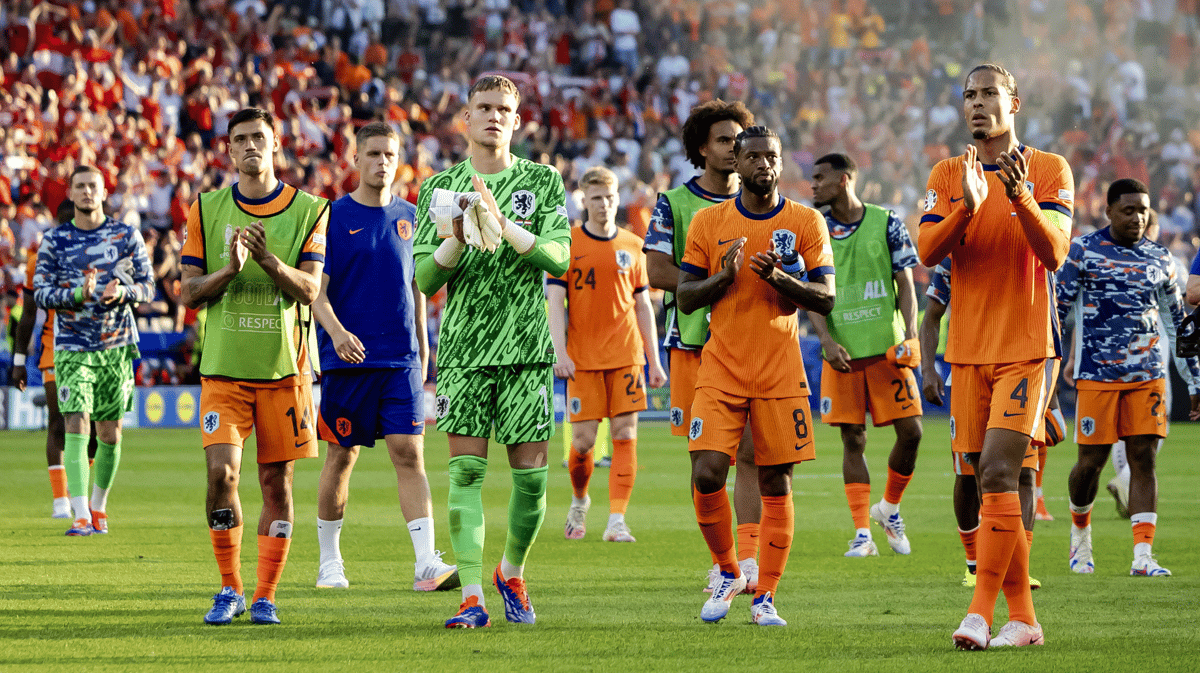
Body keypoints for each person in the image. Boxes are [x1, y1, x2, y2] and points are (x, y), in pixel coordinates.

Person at [918, 64, 1074, 650]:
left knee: (1000, 471)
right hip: (967, 353)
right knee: (983, 483)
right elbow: (929, 251)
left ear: (1015, 102)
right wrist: (966, 206)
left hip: (1026, 348)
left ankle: (978, 614)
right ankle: (1025, 621)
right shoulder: (947, 174)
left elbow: (1055, 251)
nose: (978, 104)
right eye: (969, 96)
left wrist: (1020, 196)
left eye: (989, 94)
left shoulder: (1050, 169)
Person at [413, 75, 571, 629]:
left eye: (504, 108)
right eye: (484, 107)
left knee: (532, 480)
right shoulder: (439, 188)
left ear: (518, 120)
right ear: (465, 117)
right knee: (465, 475)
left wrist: (502, 227)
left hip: (528, 346)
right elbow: (425, 276)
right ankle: (473, 596)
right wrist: (458, 233)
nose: (494, 116)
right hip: (464, 349)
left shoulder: (544, 181)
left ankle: (512, 571)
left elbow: (558, 259)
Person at [677, 125, 835, 626]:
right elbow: (684, 296)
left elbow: (826, 298)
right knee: (706, 473)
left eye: (772, 157)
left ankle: (765, 594)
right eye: (754, 156)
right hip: (721, 368)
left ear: (781, 164)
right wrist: (723, 278)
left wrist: (779, 278)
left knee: (775, 481)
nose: (764, 164)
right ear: (735, 162)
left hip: (779, 371)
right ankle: (728, 571)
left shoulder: (806, 221)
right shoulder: (708, 221)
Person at [180, 108, 329, 626]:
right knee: (222, 474)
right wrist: (230, 270)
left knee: (276, 486)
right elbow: (189, 292)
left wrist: (269, 262)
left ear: (275, 144)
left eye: (259, 138)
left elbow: (310, 290)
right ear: (227, 149)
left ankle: (266, 594)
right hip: (223, 372)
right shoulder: (205, 208)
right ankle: (230, 588)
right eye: (240, 139)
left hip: (283, 373)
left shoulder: (309, 209)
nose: (250, 146)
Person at [309, 121, 458, 592]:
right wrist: (336, 334)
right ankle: (330, 562)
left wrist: (424, 349)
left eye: (389, 155)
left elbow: (417, 291)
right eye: (372, 154)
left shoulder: (412, 217)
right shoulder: (331, 218)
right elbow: (317, 292)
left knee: (410, 452)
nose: (381, 162)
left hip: (402, 360)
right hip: (346, 361)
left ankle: (426, 564)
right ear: (356, 159)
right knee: (341, 455)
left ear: (399, 161)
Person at [643, 100, 765, 591]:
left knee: (755, 455)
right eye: (723, 140)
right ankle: (724, 561)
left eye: (740, 139)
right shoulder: (674, 203)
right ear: (701, 148)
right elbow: (655, 271)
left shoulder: (764, 198)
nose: (734, 149)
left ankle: (750, 564)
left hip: (754, 346)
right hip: (693, 344)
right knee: (707, 467)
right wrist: (716, 282)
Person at [1058, 178, 1200, 578]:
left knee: (1144, 458)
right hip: (1097, 374)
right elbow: (1058, 312)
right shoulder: (1082, 252)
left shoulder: (1159, 258)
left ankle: (1143, 556)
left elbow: (1176, 325)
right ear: (1109, 211)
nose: (1138, 217)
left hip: (1148, 374)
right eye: (1129, 209)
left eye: (1143, 210)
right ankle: (1080, 537)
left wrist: (1194, 381)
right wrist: (1049, 370)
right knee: (1091, 462)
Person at [807, 152, 923, 558]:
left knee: (912, 432)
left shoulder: (886, 222)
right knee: (852, 439)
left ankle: (888, 509)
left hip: (887, 350)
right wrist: (824, 339)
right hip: (842, 350)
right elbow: (809, 292)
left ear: (844, 180)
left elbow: (905, 284)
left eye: (820, 177)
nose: (813, 184)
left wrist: (911, 334)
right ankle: (862, 533)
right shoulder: (814, 227)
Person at [32, 165, 154, 537]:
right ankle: (80, 514)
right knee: (75, 423)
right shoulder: (54, 241)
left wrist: (123, 293)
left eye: (93, 186)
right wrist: (77, 295)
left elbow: (148, 287)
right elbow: (40, 292)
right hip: (71, 346)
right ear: (70, 193)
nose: (87, 192)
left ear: (104, 192)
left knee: (111, 433)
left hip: (115, 345)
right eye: (80, 186)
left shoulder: (125, 236)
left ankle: (99, 506)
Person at [548, 166, 667, 544]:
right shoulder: (568, 243)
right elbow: (554, 301)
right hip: (582, 358)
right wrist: (559, 350)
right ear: (584, 200)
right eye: (595, 198)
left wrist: (654, 360)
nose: (603, 204)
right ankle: (580, 500)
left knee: (625, 433)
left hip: (626, 356)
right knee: (582, 442)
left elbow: (643, 306)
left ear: (618, 199)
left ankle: (617, 520)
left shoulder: (633, 245)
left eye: (609, 197)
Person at [920, 258, 1048, 590]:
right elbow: (932, 315)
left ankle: (1017, 566)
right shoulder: (955, 256)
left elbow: (1051, 320)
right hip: (969, 370)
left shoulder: (1031, 254)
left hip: (1021, 369)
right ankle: (975, 561)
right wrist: (929, 369)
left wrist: (1052, 392)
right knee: (969, 474)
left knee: (1024, 473)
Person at [13, 198, 96, 519]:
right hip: (53, 347)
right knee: (59, 423)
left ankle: (83, 496)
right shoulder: (40, 261)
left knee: (93, 425)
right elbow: (28, 314)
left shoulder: (97, 256)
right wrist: (19, 360)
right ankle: (61, 501)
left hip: (94, 347)